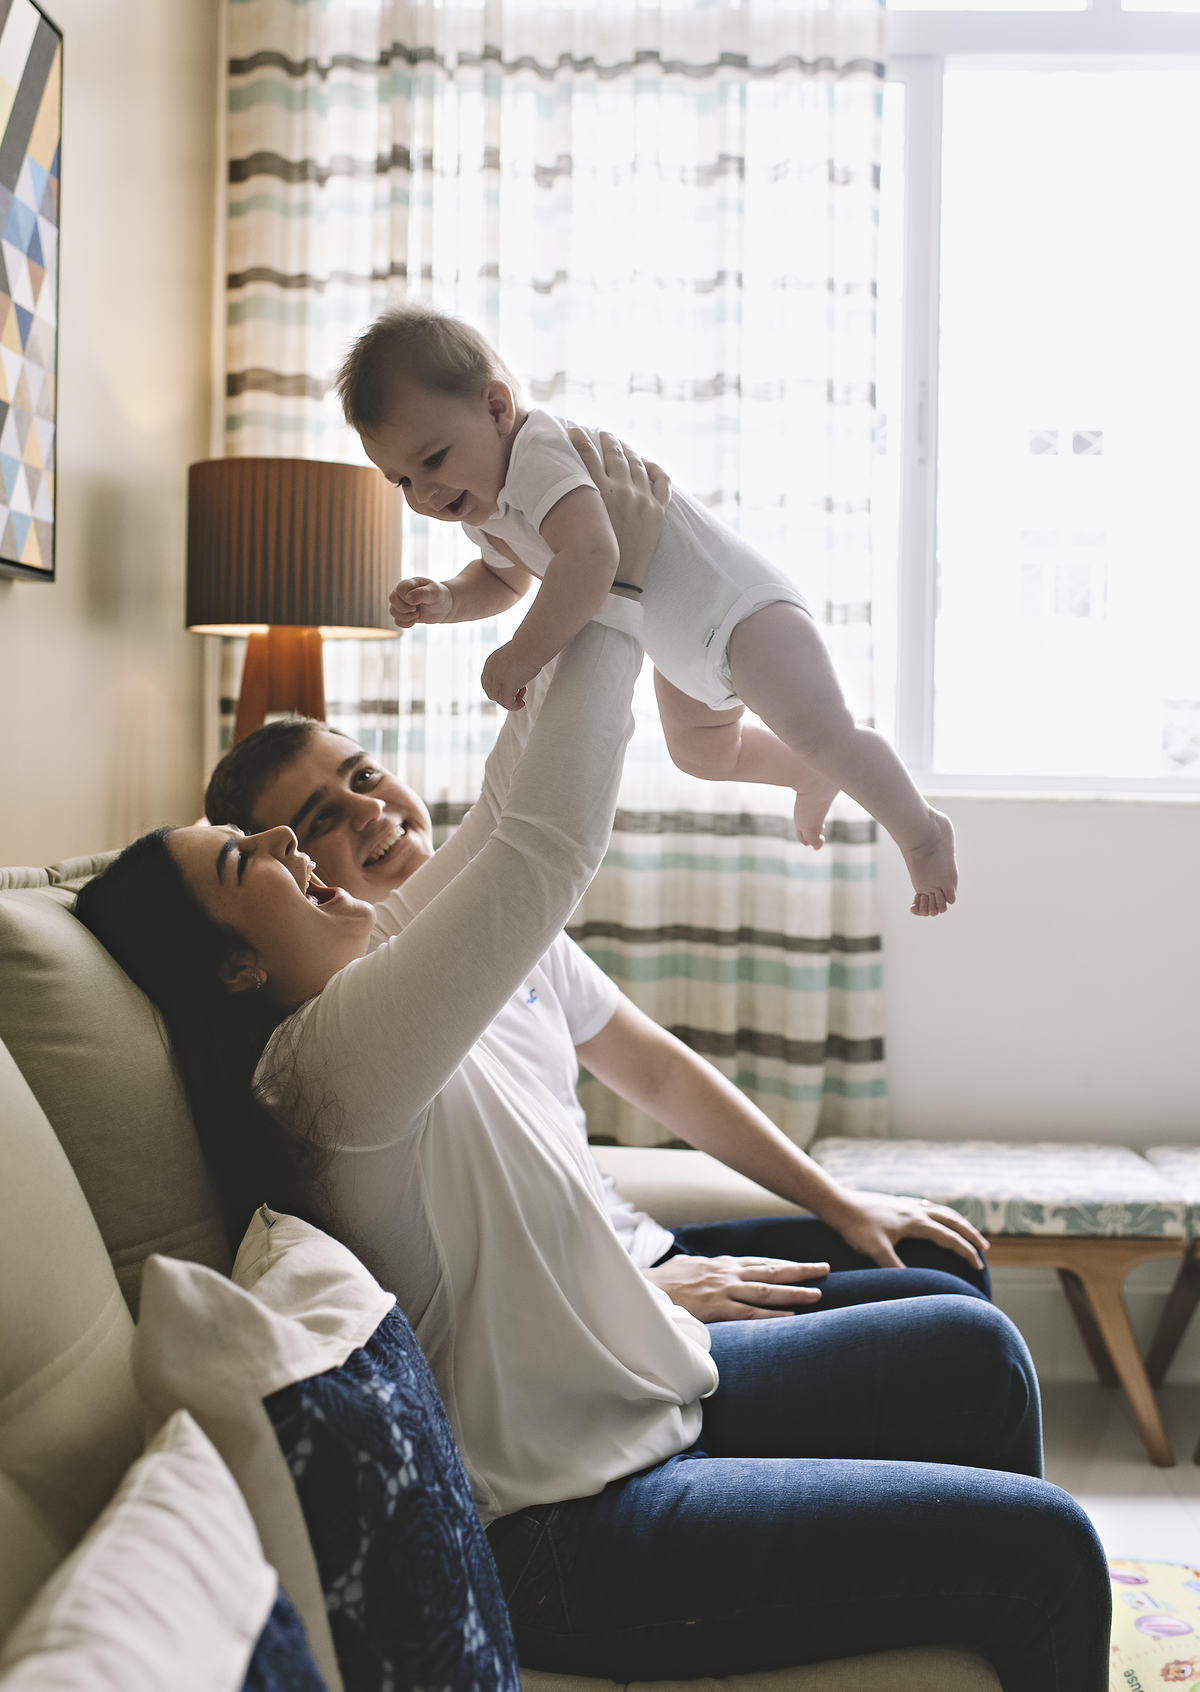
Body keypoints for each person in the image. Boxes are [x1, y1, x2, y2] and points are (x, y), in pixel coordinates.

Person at [76, 443, 1108, 1689]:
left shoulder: (372, 974)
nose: (306, 857)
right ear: (234, 969)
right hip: (568, 1534)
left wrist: (583, 572)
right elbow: (547, 845)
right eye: (261, 860)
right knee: (1049, 1550)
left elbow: (515, 809)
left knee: (971, 1354)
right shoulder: (326, 1064)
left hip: (629, 1417)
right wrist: (608, 584)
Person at [203, 443, 990, 1326]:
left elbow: (655, 1070)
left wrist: (841, 1203)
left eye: (364, 776)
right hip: (604, 1311)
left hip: (640, 1257)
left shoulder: (492, 918)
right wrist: (611, 578)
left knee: (935, 1262)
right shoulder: (361, 1005)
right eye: (318, 823)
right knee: (966, 1338)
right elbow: (532, 818)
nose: (369, 813)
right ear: (293, 878)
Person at [335, 305, 957, 917]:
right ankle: (806, 772)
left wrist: (518, 657)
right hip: (683, 649)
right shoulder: (487, 510)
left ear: (497, 408)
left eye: (433, 460)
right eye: (402, 482)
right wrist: (449, 598)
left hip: (742, 614)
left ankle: (922, 830)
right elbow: (504, 581)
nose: (424, 495)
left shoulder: (538, 453)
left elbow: (593, 557)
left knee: (827, 732)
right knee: (704, 754)